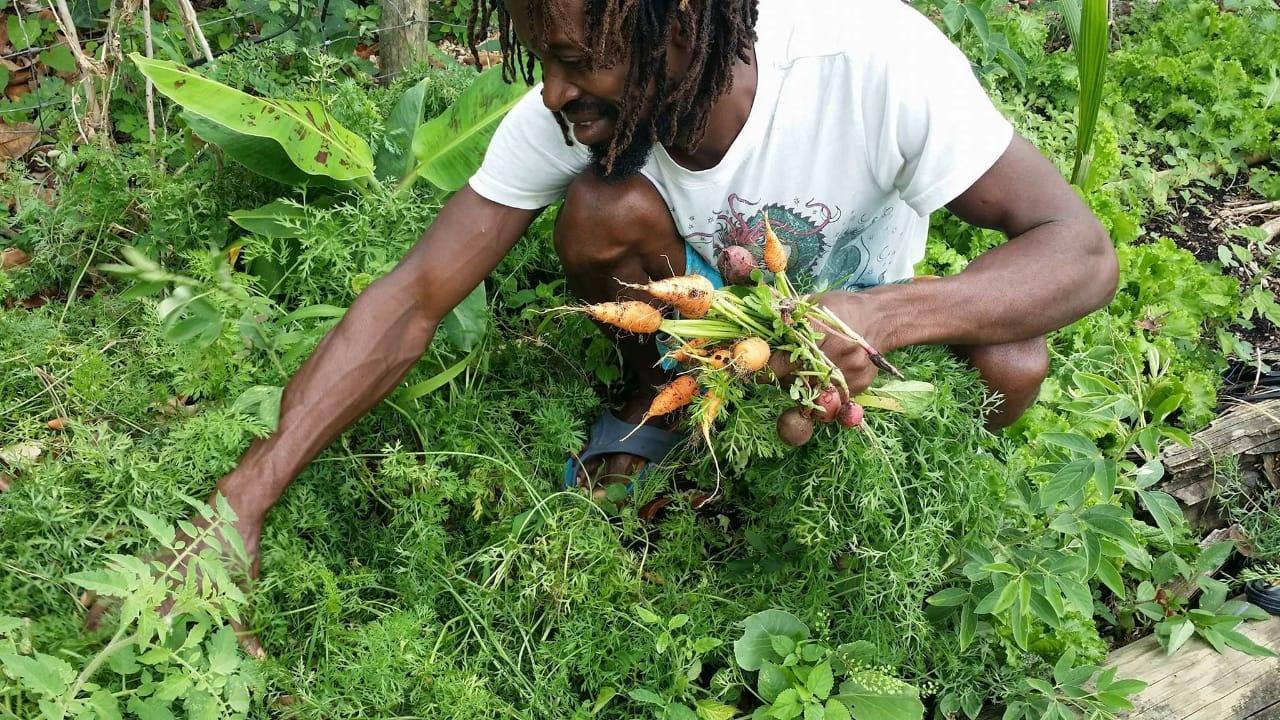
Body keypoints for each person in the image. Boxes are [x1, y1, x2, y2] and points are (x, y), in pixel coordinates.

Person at [88, 0, 1118, 653]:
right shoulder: (570, 112)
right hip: (707, 341)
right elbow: (412, 296)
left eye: (574, 59)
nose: (550, 90)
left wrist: (882, 314)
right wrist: (244, 497)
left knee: (1010, 351)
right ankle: (651, 410)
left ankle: (903, 518)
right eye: (542, 56)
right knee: (602, 209)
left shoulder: (872, 57)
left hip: (844, 356)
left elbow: (1077, 249)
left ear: (674, 30)